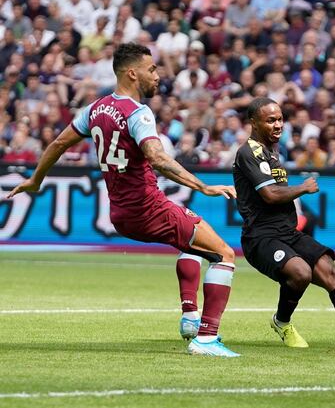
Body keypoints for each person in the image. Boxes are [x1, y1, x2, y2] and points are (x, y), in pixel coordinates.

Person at [6, 43, 240, 357]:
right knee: (224, 254)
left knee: (194, 240)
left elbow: (60, 142)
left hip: (121, 214)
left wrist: (36, 180)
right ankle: (207, 339)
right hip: (149, 208)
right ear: (132, 73)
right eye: (152, 69)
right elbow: (157, 159)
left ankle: (189, 317)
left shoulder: (95, 109)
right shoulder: (138, 113)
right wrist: (203, 186)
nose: (158, 76)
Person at [233, 97, 335, 351]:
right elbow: (270, 195)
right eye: (271, 120)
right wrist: (302, 188)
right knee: (300, 272)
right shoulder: (248, 152)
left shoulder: (272, 149)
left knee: (331, 270)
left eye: (280, 119)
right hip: (260, 237)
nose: (278, 124)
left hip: (287, 232)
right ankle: (282, 323)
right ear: (254, 122)